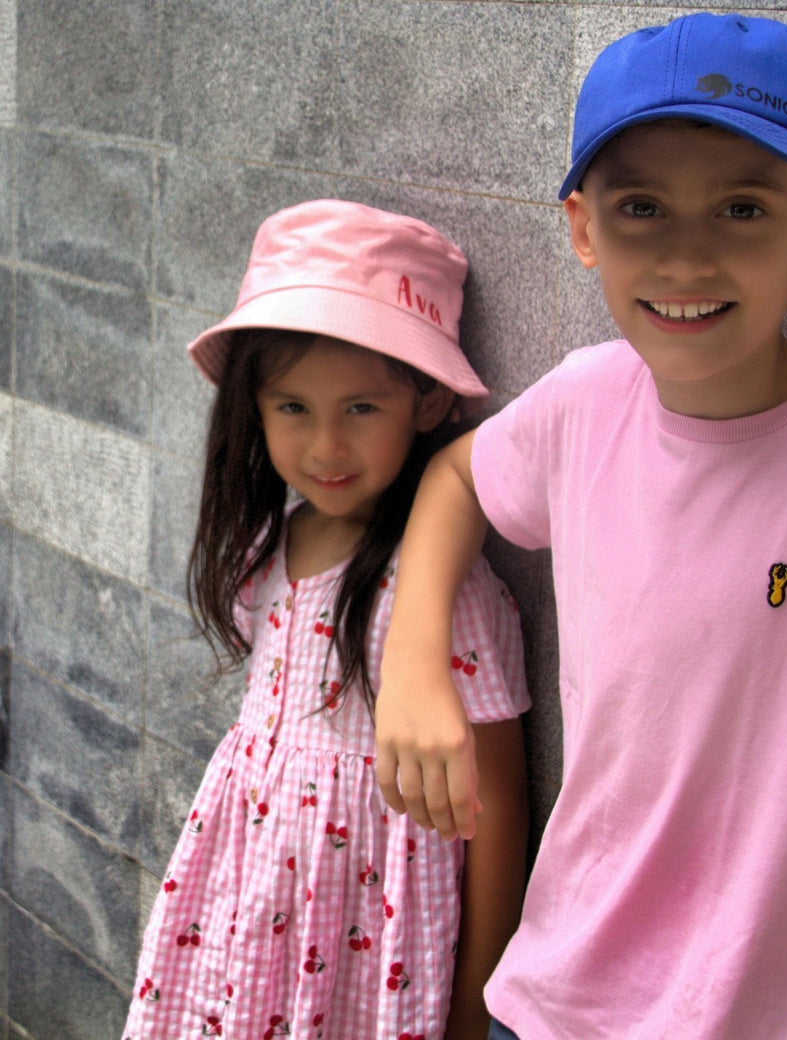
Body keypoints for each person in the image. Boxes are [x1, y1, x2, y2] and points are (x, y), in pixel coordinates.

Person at [374, 13, 787, 1040]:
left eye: (741, 206)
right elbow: (458, 477)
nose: (687, 257)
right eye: (642, 206)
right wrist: (414, 662)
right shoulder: (581, 403)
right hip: (548, 1004)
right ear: (583, 228)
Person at [123, 200, 530, 1040]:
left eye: (361, 409)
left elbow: (499, 818)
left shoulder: (448, 597)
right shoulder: (266, 553)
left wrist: (473, 1015)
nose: (325, 449)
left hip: (365, 948)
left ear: (424, 405)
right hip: (244, 925)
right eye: (294, 409)